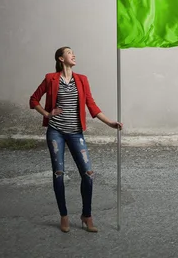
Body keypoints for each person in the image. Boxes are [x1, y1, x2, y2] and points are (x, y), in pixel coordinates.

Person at [29, 46, 123, 233]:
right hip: (56, 132)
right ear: (60, 58)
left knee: (88, 174)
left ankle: (86, 215)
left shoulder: (82, 79)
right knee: (59, 173)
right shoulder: (51, 78)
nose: (73, 54)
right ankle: (64, 215)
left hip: (75, 133)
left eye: (73, 52)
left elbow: (92, 106)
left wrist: (110, 123)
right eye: (69, 52)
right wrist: (48, 114)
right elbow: (33, 100)